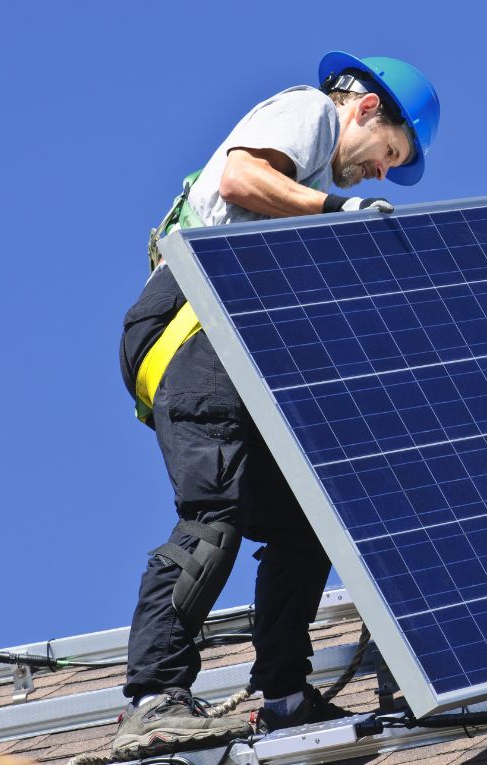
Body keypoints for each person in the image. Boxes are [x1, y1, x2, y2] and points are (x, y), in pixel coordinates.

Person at [113, 51, 440, 759]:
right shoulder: (310, 113)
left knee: (305, 521)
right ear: (363, 108)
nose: (384, 172)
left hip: (236, 350)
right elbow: (239, 176)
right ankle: (153, 698)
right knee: (214, 510)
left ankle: (285, 695)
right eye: (390, 153)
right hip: (193, 329)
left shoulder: (321, 173)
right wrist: (338, 207)